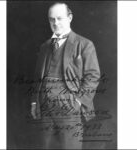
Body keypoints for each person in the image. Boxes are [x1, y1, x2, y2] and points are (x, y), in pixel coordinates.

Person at [30, 2, 100, 149]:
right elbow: (38, 77)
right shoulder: (44, 46)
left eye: (60, 18)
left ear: (70, 18)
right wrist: (35, 102)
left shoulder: (85, 44)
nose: (55, 23)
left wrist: (79, 101)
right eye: (52, 19)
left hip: (70, 106)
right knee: (44, 146)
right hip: (44, 106)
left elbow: (93, 76)